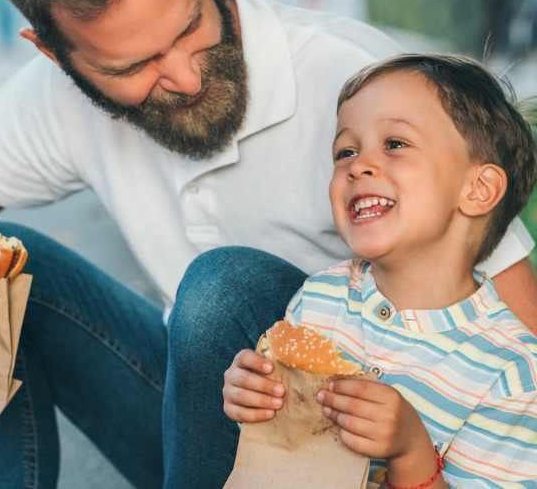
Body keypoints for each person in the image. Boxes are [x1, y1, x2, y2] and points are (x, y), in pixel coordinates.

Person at [0, 0, 537, 486]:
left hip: (382, 446)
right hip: (205, 417)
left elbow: (522, 335)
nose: (186, 77)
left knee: (222, 289)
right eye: (134, 67)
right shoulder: (55, 98)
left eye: (189, 26)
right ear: (54, 53)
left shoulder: (370, 91)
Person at [223, 54, 537, 486]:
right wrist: (253, 396)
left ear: (477, 189)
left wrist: (411, 451)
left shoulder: (511, 373)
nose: (358, 165)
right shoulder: (320, 297)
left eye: (395, 144)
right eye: (345, 151)